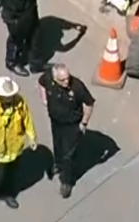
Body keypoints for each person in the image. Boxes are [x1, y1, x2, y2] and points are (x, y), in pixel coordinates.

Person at [37, 63, 95, 198]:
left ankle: (67, 181)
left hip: (72, 126)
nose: (66, 81)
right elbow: (41, 82)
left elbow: (89, 104)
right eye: (62, 80)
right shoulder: (48, 79)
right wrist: (44, 98)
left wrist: (84, 122)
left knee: (68, 155)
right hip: (56, 122)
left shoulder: (77, 87)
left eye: (67, 78)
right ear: (55, 78)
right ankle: (58, 164)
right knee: (57, 145)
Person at [0, 75, 37, 209]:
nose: (10, 98)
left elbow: (27, 119)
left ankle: (8, 194)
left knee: (12, 174)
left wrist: (32, 137)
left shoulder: (20, 102)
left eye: (11, 95)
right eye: (7, 96)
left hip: (15, 148)